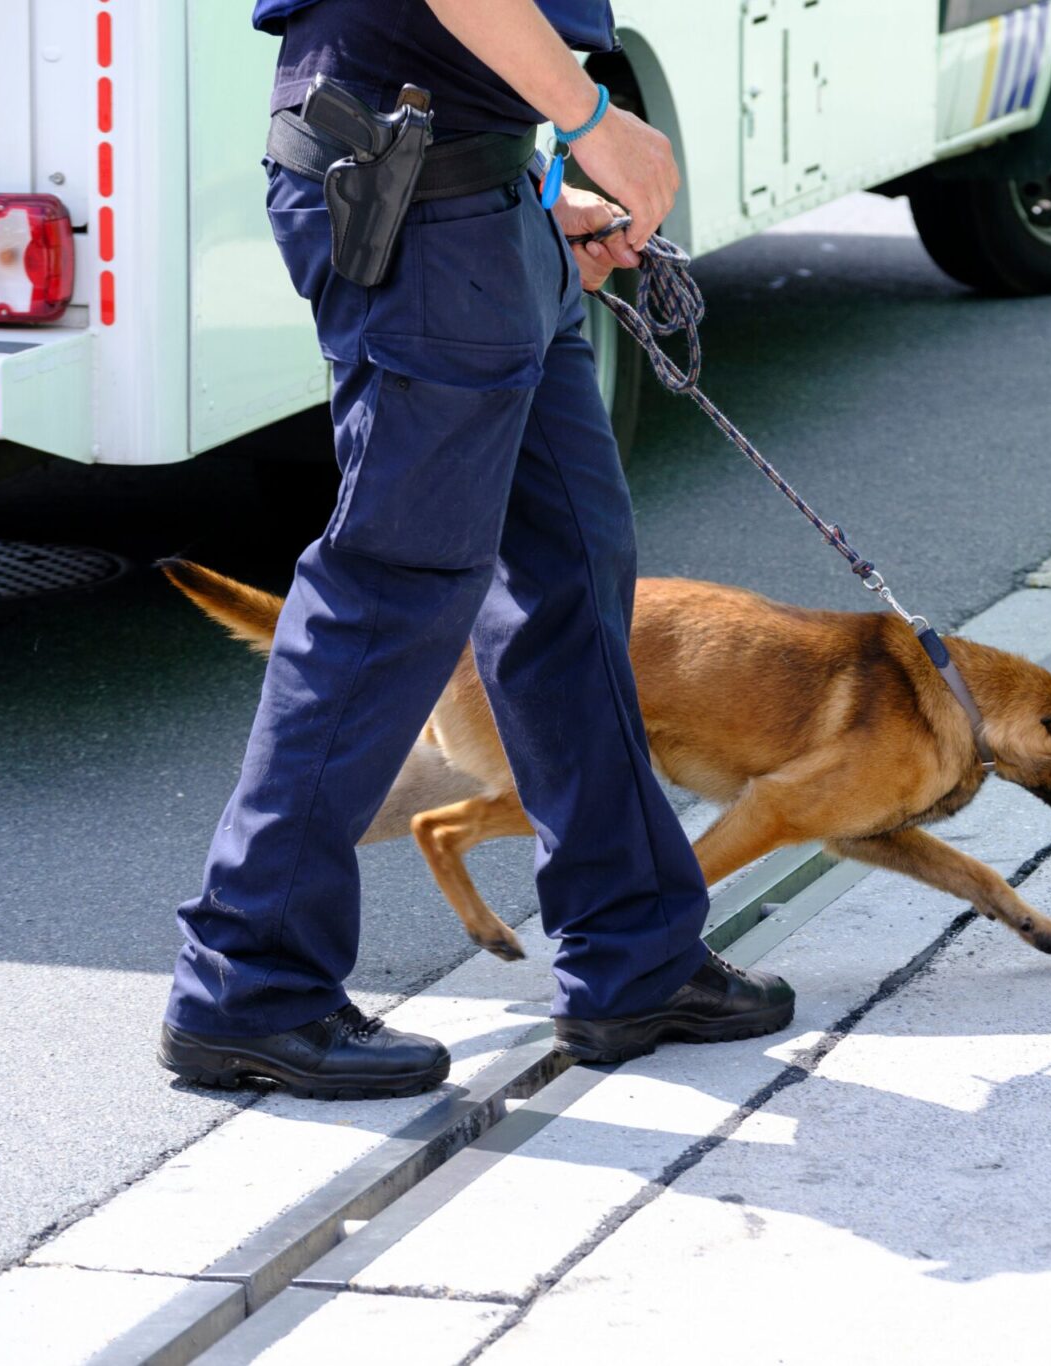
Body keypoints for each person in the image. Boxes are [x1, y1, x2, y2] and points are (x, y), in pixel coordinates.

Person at [157, 0, 793, 1099]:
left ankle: (632, 954)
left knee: (569, 580)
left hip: (477, 199)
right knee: (388, 594)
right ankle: (247, 986)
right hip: (423, 208)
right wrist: (595, 117)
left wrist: (539, 185)